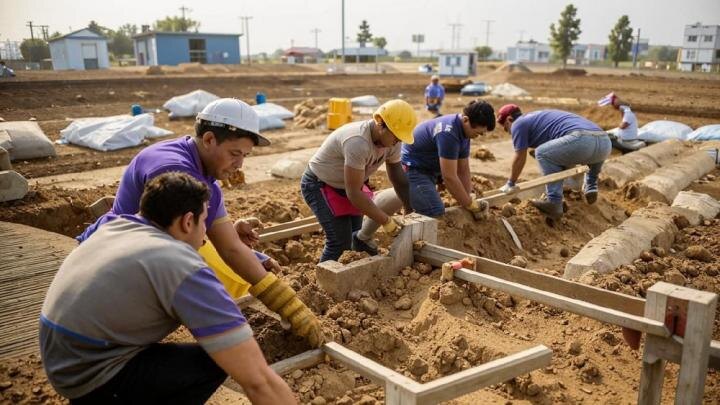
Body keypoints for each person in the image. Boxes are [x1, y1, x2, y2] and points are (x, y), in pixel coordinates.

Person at [78, 98, 323, 347]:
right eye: (235, 154)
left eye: (245, 156)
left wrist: (285, 300)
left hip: (136, 259)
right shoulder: (174, 172)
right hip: (105, 266)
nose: (239, 165)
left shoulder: (204, 176)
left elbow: (230, 245)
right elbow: (182, 256)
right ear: (208, 140)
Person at [40, 172, 296, 404]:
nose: (205, 237)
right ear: (187, 221)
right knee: (215, 363)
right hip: (89, 375)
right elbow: (259, 380)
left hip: (60, 355)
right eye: (204, 222)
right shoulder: (181, 264)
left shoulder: (116, 226)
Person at [351, 100, 496, 255]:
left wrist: (468, 196)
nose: (478, 136)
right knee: (432, 210)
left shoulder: (463, 132)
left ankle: (368, 229)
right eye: (478, 132)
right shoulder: (449, 133)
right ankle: (403, 251)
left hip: (429, 168)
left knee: (406, 195)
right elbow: (450, 177)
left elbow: (463, 169)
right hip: (413, 167)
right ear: (466, 120)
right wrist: (469, 204)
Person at [301, 99, 416, 262]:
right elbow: (354, 193)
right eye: (396, 137)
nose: (398, 141)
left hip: (349, 185)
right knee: (339, 242)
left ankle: (356, 265)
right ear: (381, 124)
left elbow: (397, 176)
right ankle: (323, 285)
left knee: (356, 235)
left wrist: (410, 208)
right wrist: (386, 221)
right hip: (320, 184)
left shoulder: (393, 141)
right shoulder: (357, 141)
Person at [496, 104, 611, 220]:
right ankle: (591, 186)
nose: (508, 132)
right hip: (604, 142)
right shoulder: (536, 118)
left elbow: (520, 156)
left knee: (541, 153)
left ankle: (554, 201)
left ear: (509, 119)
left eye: (506, 127)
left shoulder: (518, 124)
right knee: (555, 156)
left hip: (582, 141)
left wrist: (511, 183)